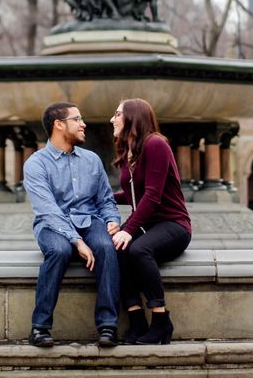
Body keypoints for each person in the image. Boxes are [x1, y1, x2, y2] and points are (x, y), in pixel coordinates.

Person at [23, 101, 121, 348]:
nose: (83, 123)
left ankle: (108, 325)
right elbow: (48, 211)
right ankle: (40, 327)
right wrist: (76, 241)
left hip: (90, 220)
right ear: (59, 125)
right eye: (77, 119)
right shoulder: (36, 164)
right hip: (52, 225)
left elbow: (106, 200)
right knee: (59, 250)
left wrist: (112, 221)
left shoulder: (92, 160)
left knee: (106, 247)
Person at [110, 98, 191, 345]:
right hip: (147, 223)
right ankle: (136, 322)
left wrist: (129, 229)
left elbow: (152, 195)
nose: (112, 120)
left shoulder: (156, 144)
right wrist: (103, 200)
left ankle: (160, 321)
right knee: (116, 250)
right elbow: (132, 194)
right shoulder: (128, 151)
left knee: (138, 249)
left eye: (117, 114)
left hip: (173, 223)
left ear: (133, 117)